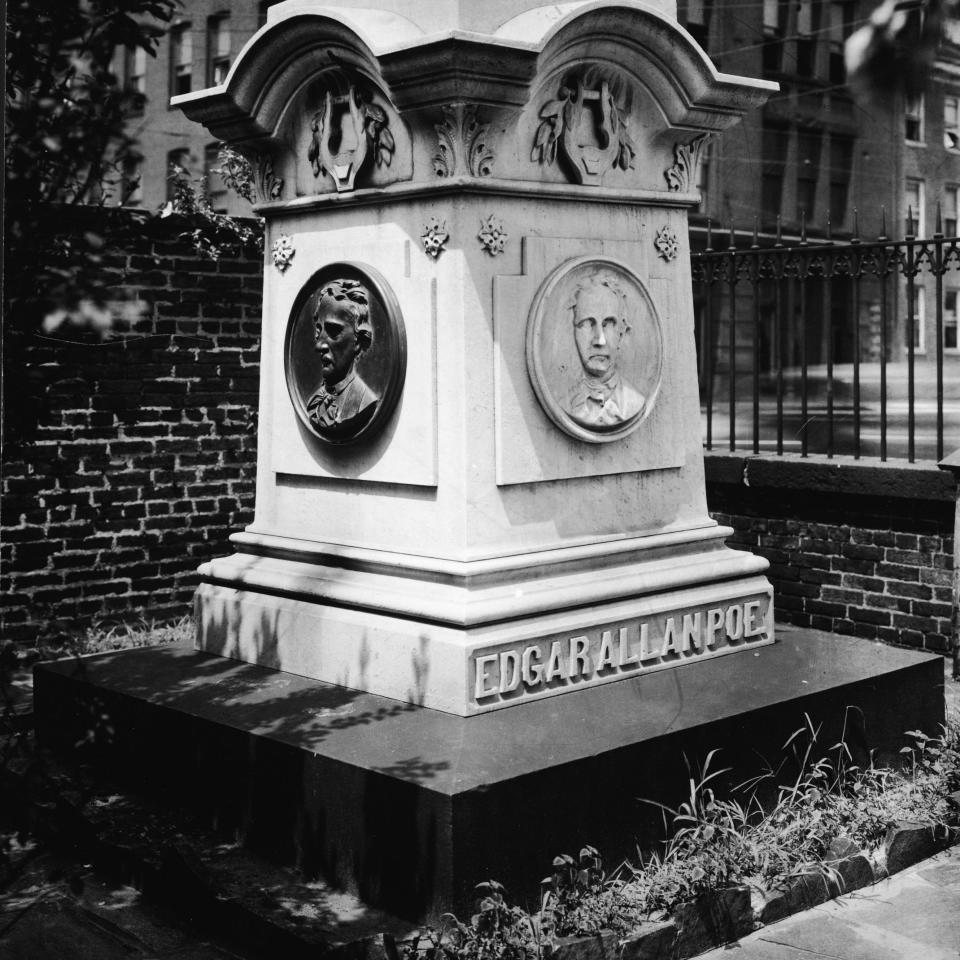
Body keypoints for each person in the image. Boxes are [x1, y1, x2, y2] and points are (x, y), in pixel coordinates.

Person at [565, 274, 645, 429]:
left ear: (621, 333)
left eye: (608, 323)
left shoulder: (635, 401)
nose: (599, 340)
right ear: (573, 332)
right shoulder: (564, 401)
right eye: (587, 323)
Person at [306, 279, 379, 438]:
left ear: (358, 342)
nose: (320, 345)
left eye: (333, 331)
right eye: (319, 330)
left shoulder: (364, 402)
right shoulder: (314, 400)